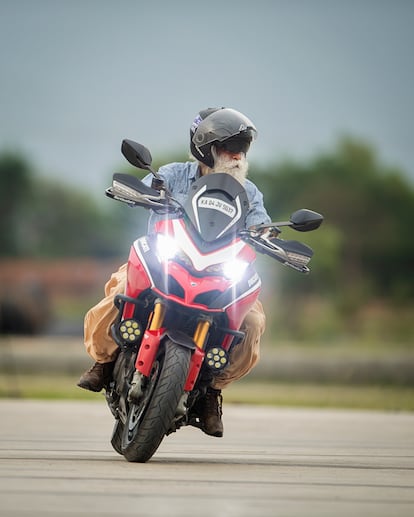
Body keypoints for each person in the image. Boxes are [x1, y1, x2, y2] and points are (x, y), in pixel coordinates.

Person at [77, 107, 271, 437]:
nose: (236, 155)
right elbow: (141, 189)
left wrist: (270, 237)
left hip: (220, 275)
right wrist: (134, 192)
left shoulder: (249, 193)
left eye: (241, 147)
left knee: (252, 322)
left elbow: (262, 227)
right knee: (122, 289)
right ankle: (105, 361)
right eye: (229, 147)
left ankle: (211, 389)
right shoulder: (172, 174)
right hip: (163, 261)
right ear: (203, 147)